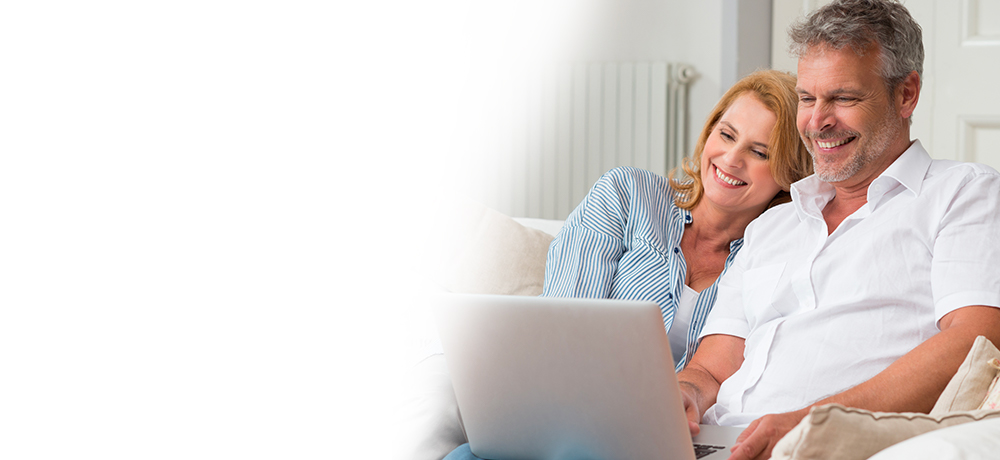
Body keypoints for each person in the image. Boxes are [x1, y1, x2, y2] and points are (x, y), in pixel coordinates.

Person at [676, 1, 1000, 459]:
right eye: (807, 99)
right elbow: (711, 368)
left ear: (906, 95)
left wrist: (811, 424)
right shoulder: (773, 224)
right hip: (715, 444)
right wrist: (683, 392)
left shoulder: (961, 194)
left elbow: (977, 339)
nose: (816, 121)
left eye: (843, 98)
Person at [443, 69, 814, 460]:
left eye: (760, 152)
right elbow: (562, 323)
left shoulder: (771, 259)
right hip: (571, 409)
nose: (732, 159)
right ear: (708, 134)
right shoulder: (629, 195)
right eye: (726, 134)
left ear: (788, 173)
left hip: (673, 437)